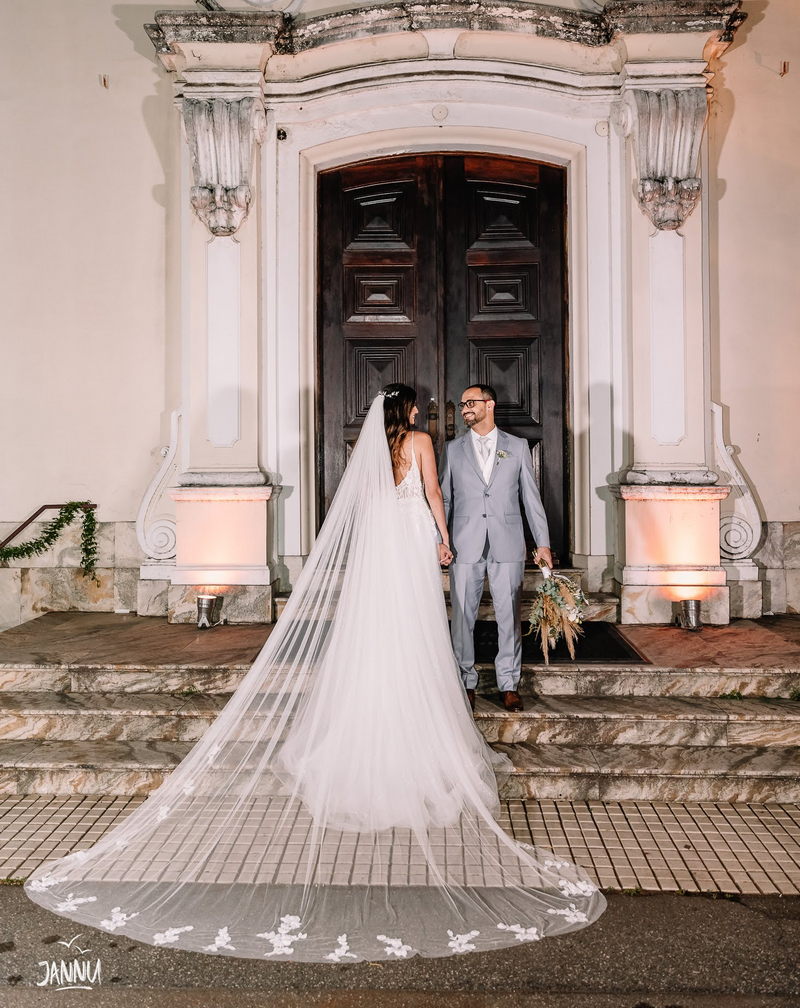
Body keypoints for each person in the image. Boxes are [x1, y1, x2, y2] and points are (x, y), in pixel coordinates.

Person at [25, 385, 604, 962]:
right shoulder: (427, 443)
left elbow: (372, 503)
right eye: (417, 407)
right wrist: (444, 540)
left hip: (388, 544)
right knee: (420, 623)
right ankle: (434, 704)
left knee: (382, 626)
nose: (425, 412)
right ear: (408, 410)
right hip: (412, 541)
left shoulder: (376, 447)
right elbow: (434, 492)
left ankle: (395, 710)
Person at [439, 384, 552, 712]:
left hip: (508, 542)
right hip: (464, 543)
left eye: (470, 403)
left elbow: (531, 498)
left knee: (508, 616)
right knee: (462, 616)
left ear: (489, 405)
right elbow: (444, 499)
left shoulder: (517, 447)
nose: (464, 409)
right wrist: (440, 540)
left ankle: (509, 683)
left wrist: (543, 543)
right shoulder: (452, 449)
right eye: (462, 405)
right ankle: (465, 681)